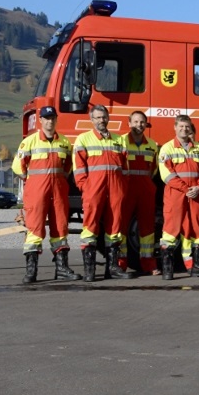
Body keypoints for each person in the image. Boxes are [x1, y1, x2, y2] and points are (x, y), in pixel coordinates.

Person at [13, 106, 80, 282]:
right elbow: (17, 166)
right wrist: (33, 182)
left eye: (53, 118)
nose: (50, 121)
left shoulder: (64, 142)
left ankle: (62, 268)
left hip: (58, 190)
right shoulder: (30, 142)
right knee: (35, 229)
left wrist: (58, 180)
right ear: (41, 120)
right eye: (46, 118)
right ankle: (31, 271)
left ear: (56, 120)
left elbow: (68, 167)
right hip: (37, 192)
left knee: (60, 228)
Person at [72, 104, 134, 280]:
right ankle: (89, 271)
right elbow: (79, 167)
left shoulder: (119, 140)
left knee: (115, 227)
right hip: (94, 189)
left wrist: (122, 187)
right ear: (92, 120)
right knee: (90, 227)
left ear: (108, 118)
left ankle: (112, 268)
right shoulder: (83, 139)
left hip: (116, 189)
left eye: (104, 117)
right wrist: (85, 187)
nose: (101, 120)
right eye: (98, 117)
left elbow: (125, 168)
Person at [158, 115, 199, 279]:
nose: (184, 129)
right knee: (171, 230)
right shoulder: (167, 149)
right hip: (176, 194)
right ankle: (167, 269)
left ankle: (197, 266)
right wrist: (187, 189)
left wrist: (198, 186)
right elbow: (167, 175)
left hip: (196, 193)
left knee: (198, 228)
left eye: (187, 127)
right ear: (175, 127)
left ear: (191, 128)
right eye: (181, 126)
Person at [121, 110, 160, 276]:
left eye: (142, 122)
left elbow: (154, 169)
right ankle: (120, 264)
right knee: (121, 227)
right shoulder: (120, 142)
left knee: (147, 228)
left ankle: (149, 264)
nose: (139, 125)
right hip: (126, 188)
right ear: (129, 123)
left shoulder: (152, 145)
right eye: (136, 122)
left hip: (145, 188)